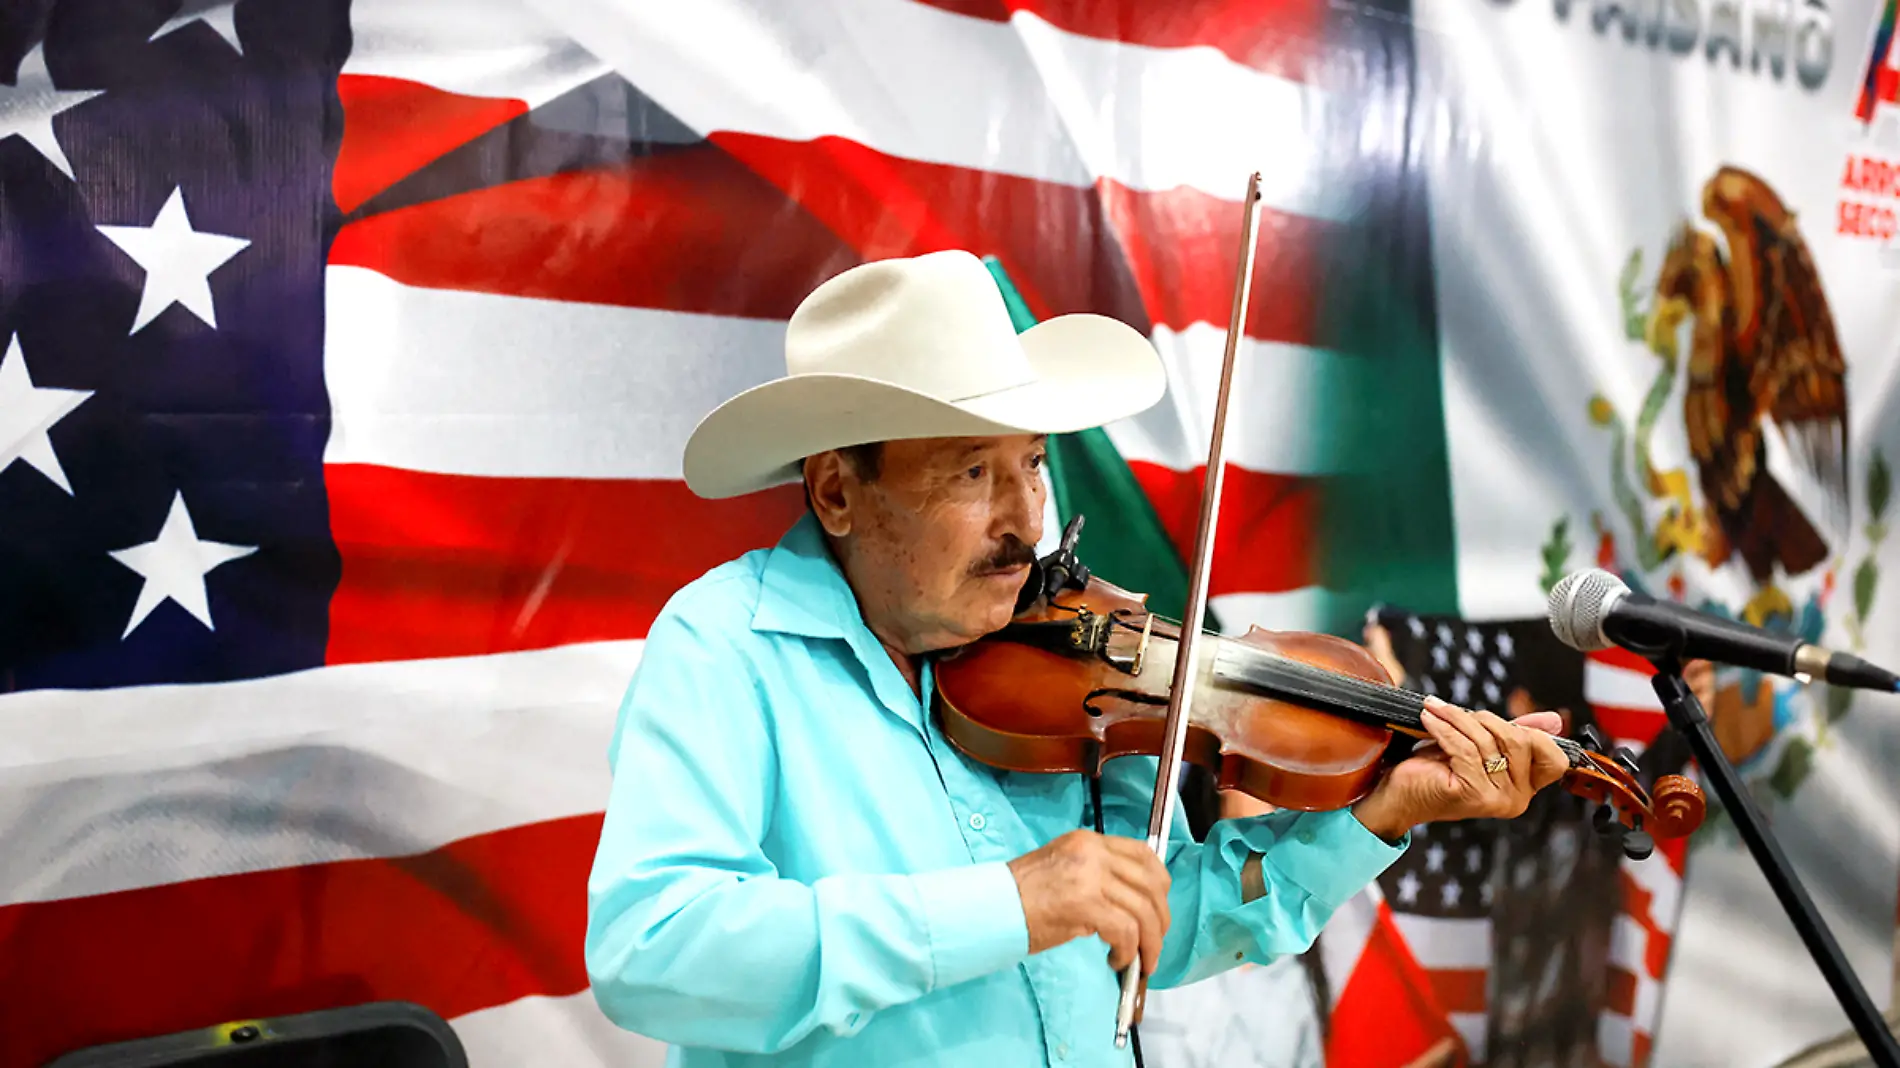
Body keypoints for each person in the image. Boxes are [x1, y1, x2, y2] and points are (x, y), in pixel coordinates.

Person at [583, 249, 1572, 1066]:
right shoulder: (723, 648)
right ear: (837, 492)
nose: (1025, 523)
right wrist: (1007, 904)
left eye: (1031, 465)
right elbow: (653, 950)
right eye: (971, 472)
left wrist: (1378, 815)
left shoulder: (1071, 671)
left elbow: (1169, 925)